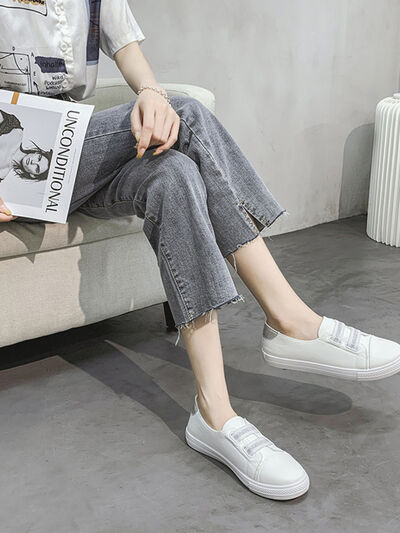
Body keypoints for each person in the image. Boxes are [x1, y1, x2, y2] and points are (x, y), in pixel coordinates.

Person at [1, 1, 399, 501]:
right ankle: (289, 319)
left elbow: (127, 48)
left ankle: (215, 414)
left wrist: (150, 93)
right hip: (14, 173)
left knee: (174, 174)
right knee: (187, 114)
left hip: (73, 160)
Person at [0, 109, 53, 182]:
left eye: (37, 168)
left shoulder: (2, 173)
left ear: (33, 175)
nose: (33, 162)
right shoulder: (15, 130)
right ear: (37, 153)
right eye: (39, 158)